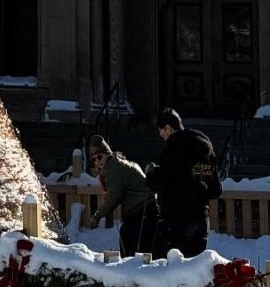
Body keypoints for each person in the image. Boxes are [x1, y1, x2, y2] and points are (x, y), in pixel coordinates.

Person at [146, 107, 221, 258]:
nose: (162, 137)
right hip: (199, 219)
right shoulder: (203, 146)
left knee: (166, 270)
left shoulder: (172, 148)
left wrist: (150, 174)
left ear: (168, 127)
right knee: (192, 271)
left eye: (162, 132)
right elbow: (215, 189)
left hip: (173, 219)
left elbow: (160, 183)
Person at [87, 135, 159, 257]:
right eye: (94, 159)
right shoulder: (117, 163)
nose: (98, 161)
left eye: (100, 156)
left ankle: (138, 272)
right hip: (144, 208)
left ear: (107, 153)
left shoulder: (113, 168)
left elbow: (113, 198)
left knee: (139, 248)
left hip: (143, 210)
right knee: (128, 237)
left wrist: (96, 217)